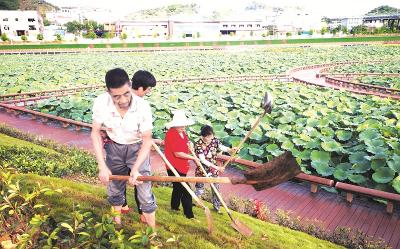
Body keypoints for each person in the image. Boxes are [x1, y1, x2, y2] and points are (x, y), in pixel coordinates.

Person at [91, 68, 157, 227]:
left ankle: (153, 234)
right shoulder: (101, 102)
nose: (122, 100)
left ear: (130, 85)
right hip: (114, 148)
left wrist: (135, 169)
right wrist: (102, 166)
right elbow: (95, 133)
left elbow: (147, 140)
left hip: (137, 149)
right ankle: (117, 225)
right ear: (108, 92)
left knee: (145, 192)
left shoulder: (143, 106)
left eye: (126, 93)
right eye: (116, 96)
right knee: (114, 189)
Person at [120, 70, 157, 223]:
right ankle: (144, 214)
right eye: (148, 90)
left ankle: (122, 206)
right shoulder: (141, 105)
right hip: (136, 149)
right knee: (141, 180)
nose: (148, 92)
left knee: (120, 178)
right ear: (141, 88)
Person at [163, 110, 199, 219]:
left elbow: (186, 143)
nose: (183, 128)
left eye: (184, 125)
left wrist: (190, 144)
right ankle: (189, 215)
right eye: (181, 126)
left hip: (182, 166)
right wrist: (193, 157)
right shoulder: (171, 134)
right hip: (173, 166)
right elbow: (177, 153)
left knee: (178, 187)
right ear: (175, 125)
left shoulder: (182, 132)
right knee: (186, 189)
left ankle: (174, 207)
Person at [194, 125, 236, 213]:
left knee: (216, 188)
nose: (209, 138)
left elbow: (222, 147)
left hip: (213, 169)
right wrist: (217, 167)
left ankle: (217, 207)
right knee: (199, 188)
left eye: (211, 136)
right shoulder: (198, 144)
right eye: (207, 137)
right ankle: (196, 202)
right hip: (201, 169)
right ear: (203, 136)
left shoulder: (214, 140)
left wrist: (231, 150)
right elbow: (203, 160)